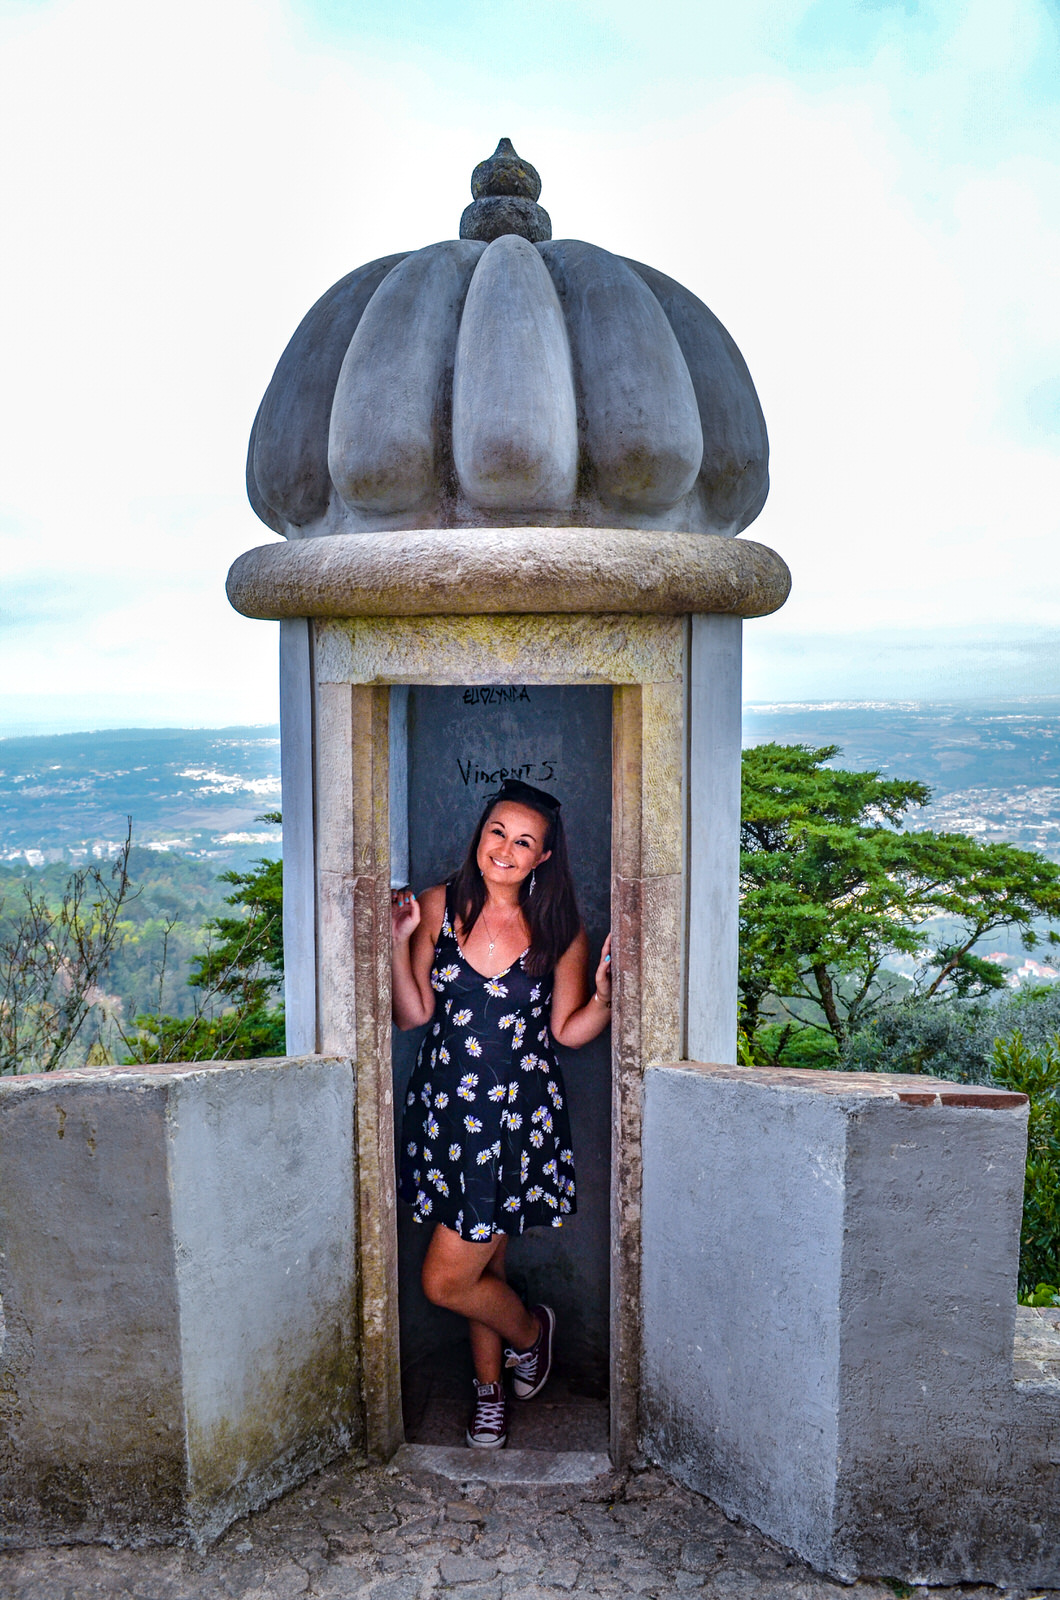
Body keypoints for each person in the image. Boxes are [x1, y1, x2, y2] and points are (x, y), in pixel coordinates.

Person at [391, 777, 612, 1449]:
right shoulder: (438, 906)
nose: (506, 851)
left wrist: (606, 995)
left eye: (524, 842)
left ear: (544, 857)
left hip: (518, 1122)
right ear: (479, 834)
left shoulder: (558, 930)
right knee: (483, 1270)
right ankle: (492, 1390)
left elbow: (569, 1031)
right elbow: (414, 1014)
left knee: (446, 1278)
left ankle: (529, 1334)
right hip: (446, 1116)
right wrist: (397, 945)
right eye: (498, 833)